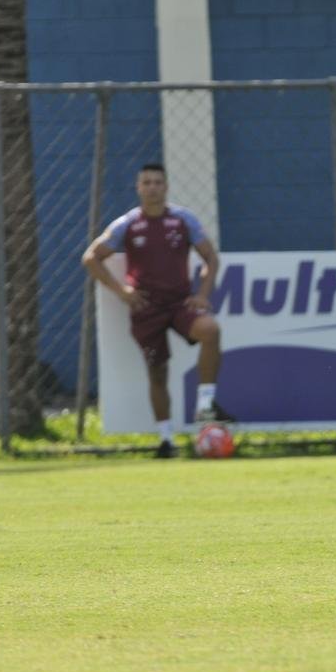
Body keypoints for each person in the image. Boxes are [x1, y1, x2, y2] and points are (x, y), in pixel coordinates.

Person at [82, 163, 230, 458]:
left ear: (166, 186)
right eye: (146, 182)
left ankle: (204, 404)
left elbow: (210, 258)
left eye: (157, 182)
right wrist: (122, 291)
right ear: (139, 188)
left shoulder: (183, 220)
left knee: (210, 330)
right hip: (146, 307)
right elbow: (91, 258)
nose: (152, 187)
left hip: (179, 302)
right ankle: (166, 440)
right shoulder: (127, 224)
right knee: (157, 371)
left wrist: (201, 294)